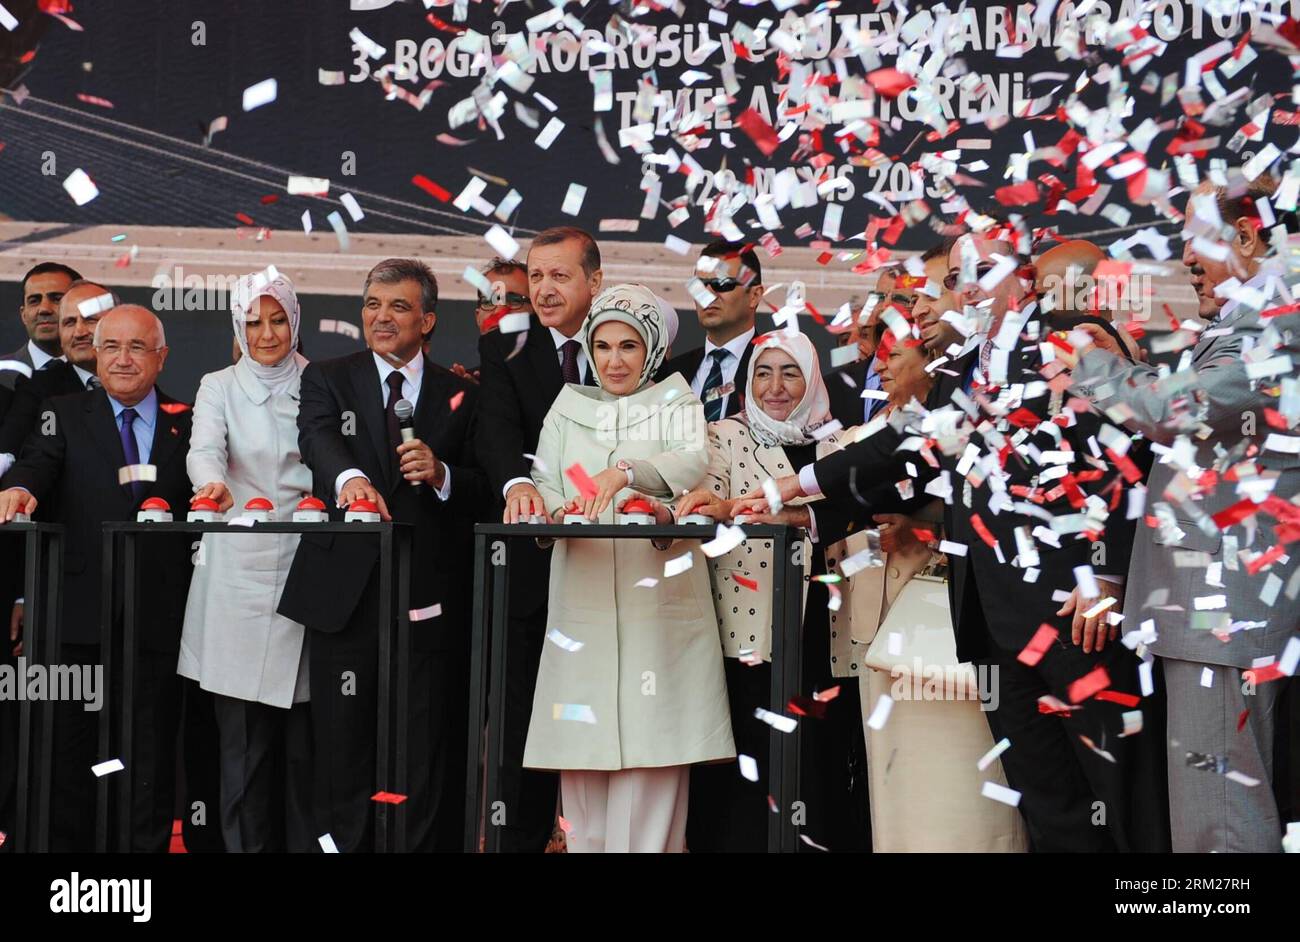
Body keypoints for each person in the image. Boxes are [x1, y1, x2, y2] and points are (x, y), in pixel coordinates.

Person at [740, 226, 1170, 853]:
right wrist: (790, 487)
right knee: (1047, 799)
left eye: (980, 272)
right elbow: (901, 452)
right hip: (997, 626)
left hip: (1081, 620)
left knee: (1121, 800)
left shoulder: (1075, 346)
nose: (965, 288)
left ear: (1020, 280)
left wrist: (1109, 574)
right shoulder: (961, 369)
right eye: (955, 277)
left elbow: (1130, 458)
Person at [1066, 177, 1298, 852]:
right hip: (1214, 612)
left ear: (1249, 238)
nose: (1187, 261)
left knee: (1220, 819)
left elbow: (1173, 411)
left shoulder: (1277, 326)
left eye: (1198, 242)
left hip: (1223, 611)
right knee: (1216, 808)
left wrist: (1099, 366)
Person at [277, 258, 487, 852]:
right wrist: (348, 482)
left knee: (423, 751)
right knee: (342, 749)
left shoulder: (462, 394)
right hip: (346, 595)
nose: (381, 317)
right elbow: (316, 438)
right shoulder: (328, 376)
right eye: (372, 305)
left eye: (398, 307)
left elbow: (484, 485)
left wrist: (443, 474)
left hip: (428, 598)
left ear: (427, 320)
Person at [524, 282, 733, 853]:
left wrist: (626, 474)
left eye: (629, 346)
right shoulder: (567, 406)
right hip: (582, 609)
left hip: (656, 613)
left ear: (653, 351)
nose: (614, 360)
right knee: (582, 768)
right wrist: (542, 508)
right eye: (604, 345)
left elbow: (690, 461)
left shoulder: (679, 401)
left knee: (653, 763)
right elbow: (542, 482)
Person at [0, 304, 196, 852]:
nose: (123, 359)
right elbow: (36, 464)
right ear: (94, 355)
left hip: (160, 620)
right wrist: (20, 488)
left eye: (137, 347)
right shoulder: (61, 412)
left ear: (162, 356)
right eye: (111, 347)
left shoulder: (192, 417)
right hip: (75, 621)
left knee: (149, 759)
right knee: (67, 760)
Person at [829, 319, 1027, 853]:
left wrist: (927, 525)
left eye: (899, 353)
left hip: (957, 627)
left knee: (968, 779)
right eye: (882, 354)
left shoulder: (966, 421)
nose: (886, 364)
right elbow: (833, 506)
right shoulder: (856, 436)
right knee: (895, 785)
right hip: (877, 637)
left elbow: (974, 504)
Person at [676, 331, 870, 852]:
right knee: (751, 769)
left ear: (812, 380)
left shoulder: (841, 444)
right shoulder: (723, 435)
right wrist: (711, 502)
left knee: (820, 764)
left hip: (826, 633)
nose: (776, 387)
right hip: (752, 633)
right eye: (764, 372)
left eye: (791, 373)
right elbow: (709, 490)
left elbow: (863, 503)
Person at [475, 226, 604, 852]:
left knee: (601, 718)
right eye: (537, 275)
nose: (544, 289)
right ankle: (520, 841)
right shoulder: (506, 349)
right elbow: (496, 433)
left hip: (609, 570)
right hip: (532, 571)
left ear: (594, 282)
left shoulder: (625, 343)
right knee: (522, 718)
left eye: (560, 276)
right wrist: (515, 483)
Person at [178, 272, 315, 852]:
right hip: (235, 575)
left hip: (309, 572)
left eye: (277, 319)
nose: (266, 333)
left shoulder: (324, 381)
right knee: (242, 746)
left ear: (295, 321)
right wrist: (211, 487)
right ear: (237, 325)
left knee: (306, 749)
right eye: (253, 321)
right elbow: (204, 449)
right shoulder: (218, 385)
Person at [657, 240, 763, 420]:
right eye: (699, 286)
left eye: (722, 284)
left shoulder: (776, 368)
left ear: (754, 295)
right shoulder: (670, 373)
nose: (707, 295)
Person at [2, 262, 81, 390]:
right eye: (34, 301)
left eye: (57, 299)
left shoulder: (103, 374)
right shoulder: (3, 374)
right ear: (24, 315)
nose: (44, 309)